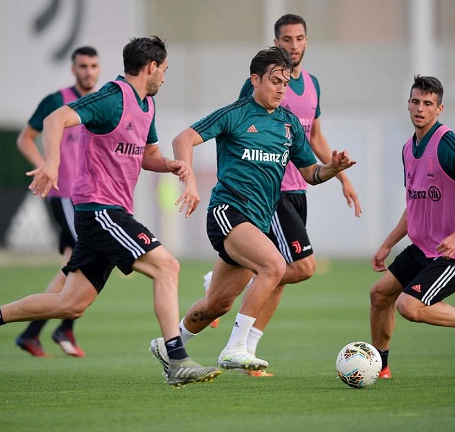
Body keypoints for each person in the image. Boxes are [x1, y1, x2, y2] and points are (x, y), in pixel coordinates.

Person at [0, 36, 222, 387]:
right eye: (164, 70)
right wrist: (51, 162)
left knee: (70, 304)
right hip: (98, 209)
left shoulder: (146, 106)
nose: (165, 78)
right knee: (167, 266)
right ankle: (175, 359)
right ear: (151, 67)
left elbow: (145, 155)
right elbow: (54, 120)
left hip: (111, 210)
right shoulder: (112, 96)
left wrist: (169, 164)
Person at [149, 46, 356, 374]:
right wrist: (188, 181)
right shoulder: (235, 113)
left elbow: (309, 174)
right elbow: (183, 139)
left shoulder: (289, 124)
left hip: (256, 223)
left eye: (285, 84)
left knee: (217, 304)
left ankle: (169, 347)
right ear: (255, 79)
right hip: (228, 212)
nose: (281, 89)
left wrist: (332, 168)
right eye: (275, 81)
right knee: (274, 266)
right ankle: (234, 349)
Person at [201, 13, 362, 377]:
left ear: (307, 41)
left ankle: (247, 347)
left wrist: (340, 176)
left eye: (299, 38)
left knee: (277, 275)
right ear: (276, 44)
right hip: (272, 192)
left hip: (300, 186)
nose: (294, 45)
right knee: (297, 266)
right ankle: (233, 296)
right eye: (286, 39)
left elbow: (315, 136)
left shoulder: (312, 84)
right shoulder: (257, 87)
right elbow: (243, 125)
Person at [368, 75, 455, 379]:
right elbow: (415, 204)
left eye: (428, 103)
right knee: (379, 295)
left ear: (439, 109)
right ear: (408, 104)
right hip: (427, 247)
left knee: (409, 306)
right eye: (416, 101)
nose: (420, 108)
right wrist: (388, 243)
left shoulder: (449, 145)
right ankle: (380, 366)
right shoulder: (408, 149)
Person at [15, 46, 101, 358]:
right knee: (86, 257)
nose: (88, 71)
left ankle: (32, 333)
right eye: (83, 66)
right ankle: (62, 328)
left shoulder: (100, 100)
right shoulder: (57, 101)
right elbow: (25, 137)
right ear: (73, 69)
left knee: (71, 265)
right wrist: (45, 167)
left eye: (93, 65)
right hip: (64, 195)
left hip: (88, 197)